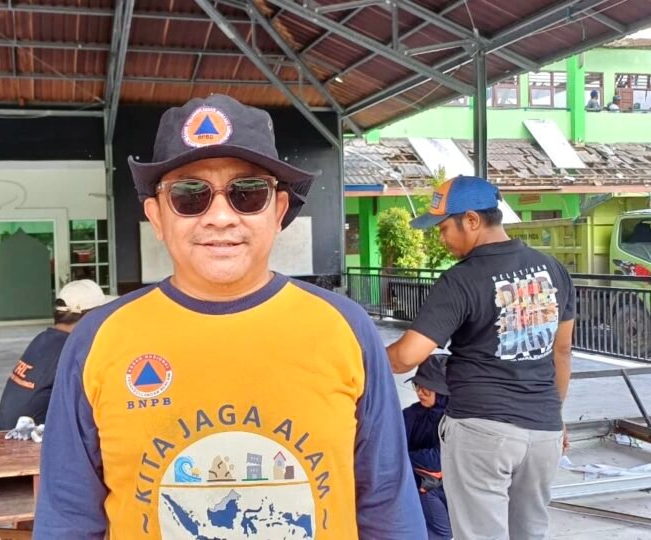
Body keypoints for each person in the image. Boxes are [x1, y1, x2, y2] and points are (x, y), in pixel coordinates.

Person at [33, 94, 424, 539]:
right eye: (189, 195)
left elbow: (388, 506)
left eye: (248, 193)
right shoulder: (98, 340)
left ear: (278, 211)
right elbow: (67, 518)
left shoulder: (346, 329)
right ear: (156, 217)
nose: (220, 217)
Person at [386, 175, 575, 540]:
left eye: (444, 228)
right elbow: (562, 350)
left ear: (471, 220)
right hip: (544, 433)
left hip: (482, 432)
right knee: (530, 533)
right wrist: (556, 414)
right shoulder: (553, 269)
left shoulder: (461, 280)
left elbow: (404, 357)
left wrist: (358, 353)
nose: (441, 239)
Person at [0, 279, 114, 434]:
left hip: (6, 437)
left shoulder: (43, 340)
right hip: (32, 443)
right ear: (89, 318)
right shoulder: (73, 352)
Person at [403, 354, 452, 540]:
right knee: (441, 533)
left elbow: (440, 458)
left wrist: (403, 458)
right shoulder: (411, 414)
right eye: (417, 385)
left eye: (427, 388)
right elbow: (389, 445)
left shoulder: (459, 422)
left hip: (449, 491)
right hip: (420, 487)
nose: (420, 392)